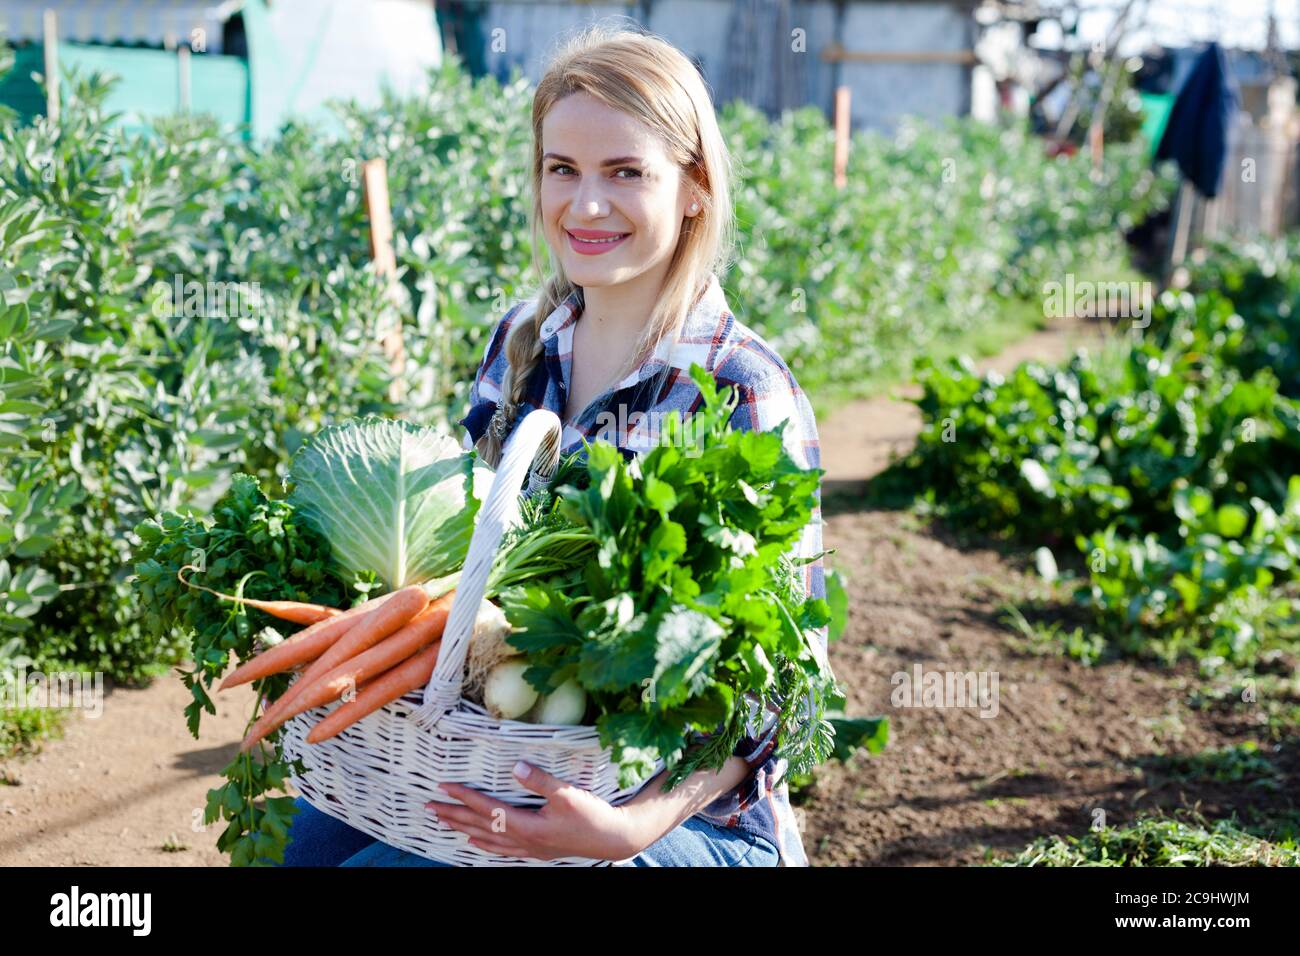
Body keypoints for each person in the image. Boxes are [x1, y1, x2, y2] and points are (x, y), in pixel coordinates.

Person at [278, 21, 826, 868]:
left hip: (686, 817)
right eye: (562, 169)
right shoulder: (523, 340)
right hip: (505, 747)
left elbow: (784, 684)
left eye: (625, 173)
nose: (586, 205)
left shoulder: (743, 388)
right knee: (307, 847)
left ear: (694, 188)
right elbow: (458, 566)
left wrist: (635, 827)